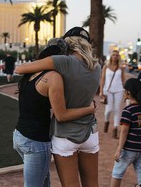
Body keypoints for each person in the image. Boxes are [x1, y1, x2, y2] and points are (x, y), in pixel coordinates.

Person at [15, 27, 101, 187]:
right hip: (90, 132)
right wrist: (90, 109)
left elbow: (20, 69)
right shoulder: (97, 67)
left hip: (65, 134)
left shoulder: (63, 62)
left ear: (68, 43)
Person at [110, 78, 141, 187]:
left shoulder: (128, 111)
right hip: (140, 148)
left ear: (128, 93)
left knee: (117, 173)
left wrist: (119, 150)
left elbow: (124, 131)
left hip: (128, 149)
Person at [99, 50, 125, 139]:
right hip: (108, 90)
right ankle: (106, 121)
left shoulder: (121, 67)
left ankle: (115, 129)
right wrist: (101, 91)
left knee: (117, 109)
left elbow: (123, 80)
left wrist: (126, 91)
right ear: (111, 56)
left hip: (119, 90)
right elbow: (102, 79)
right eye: (113, 55)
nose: (115, 56)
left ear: (118, 57)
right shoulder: (106, 67)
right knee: (109, 109)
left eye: (117, 55)